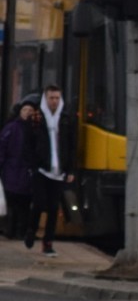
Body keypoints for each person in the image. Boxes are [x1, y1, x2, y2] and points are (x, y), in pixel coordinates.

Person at [26, 85, 76, 256]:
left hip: (58, 171)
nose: (54, 101)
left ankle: (48, 243)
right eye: (51, 98)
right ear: (45, 99)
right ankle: (31, 230)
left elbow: (71, 145)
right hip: (41, 169)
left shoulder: (66, 118)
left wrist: (70, 170)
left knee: (54, 209)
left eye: (57, 98)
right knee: (39, 203)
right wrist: (32, 166)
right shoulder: (37, 117)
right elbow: (29, 143)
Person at [0, 98, 37, 239]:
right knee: (13, 202)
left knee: (24, 204)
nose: (27, 113)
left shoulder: (34, 128)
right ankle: (12, 230)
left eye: (30, 110)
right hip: (13, 170)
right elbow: (3, 148)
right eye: (25, 110)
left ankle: (20, 231)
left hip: (24, 171)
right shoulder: (12, 128)